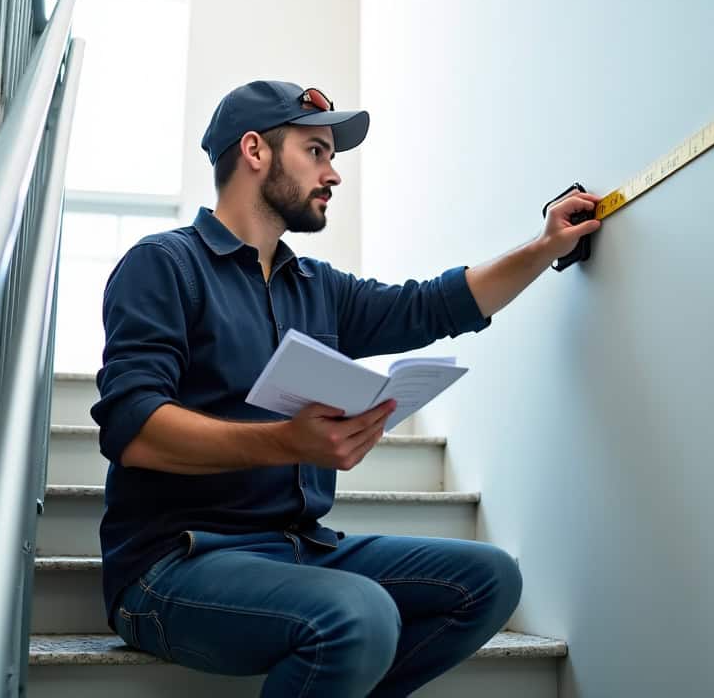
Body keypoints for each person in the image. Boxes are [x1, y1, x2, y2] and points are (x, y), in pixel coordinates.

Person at [91, 80, 602, 697]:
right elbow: (134, 430)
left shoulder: (315, 286)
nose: (333, 174)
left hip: (297, 548)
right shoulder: (163, 264)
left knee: (489, 578)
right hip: (174, 565)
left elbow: (432, 305)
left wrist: (546, 246)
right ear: (255, 152)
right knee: (359, 613)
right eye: (316, 151)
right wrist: (289, 443)